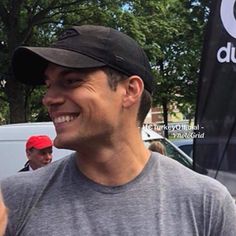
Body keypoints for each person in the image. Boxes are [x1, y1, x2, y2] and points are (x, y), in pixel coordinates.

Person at [1, 25, 236, 235]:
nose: (49, 99)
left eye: (71, 81)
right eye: (49, 85)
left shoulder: (207, 203)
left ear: (130, 90)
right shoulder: (14, 198)